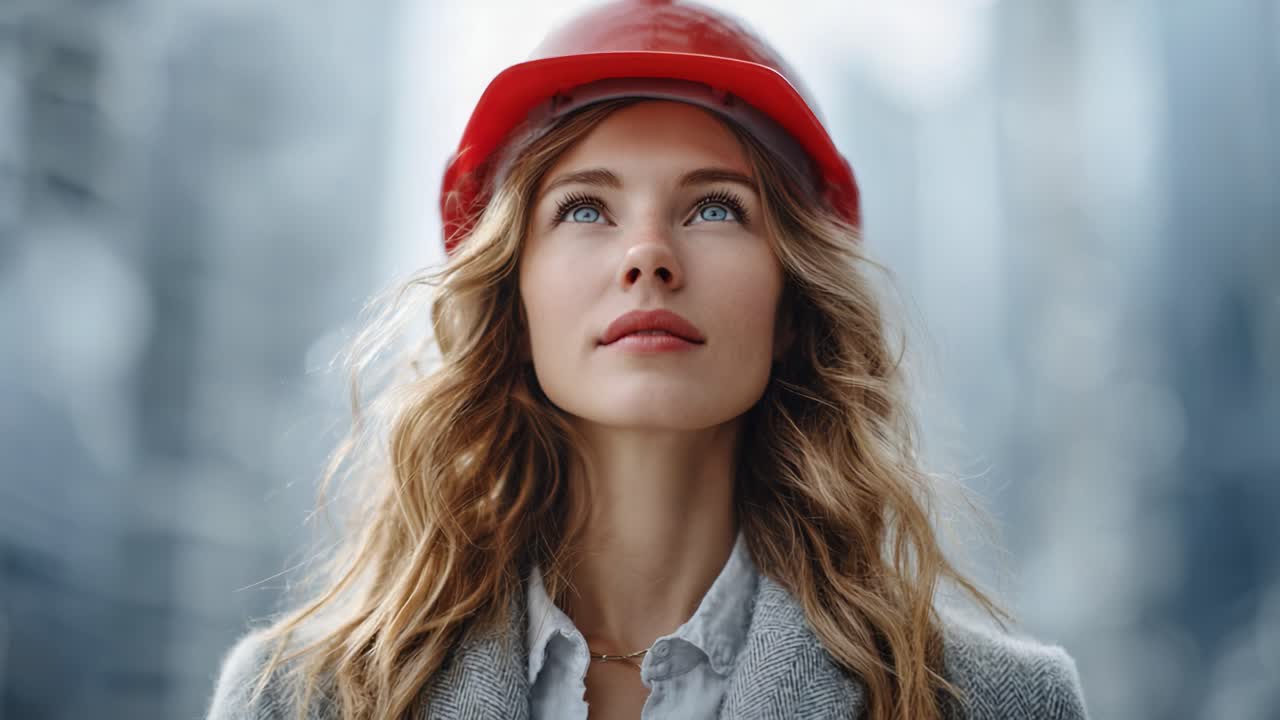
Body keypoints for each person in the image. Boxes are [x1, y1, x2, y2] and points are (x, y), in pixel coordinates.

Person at [206, 1, 1090, 719]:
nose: (648, 256)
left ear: (793, 309)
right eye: (585, 210)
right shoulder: (300, 700)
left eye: (715, 210)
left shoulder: (992, 704)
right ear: (512, 305)